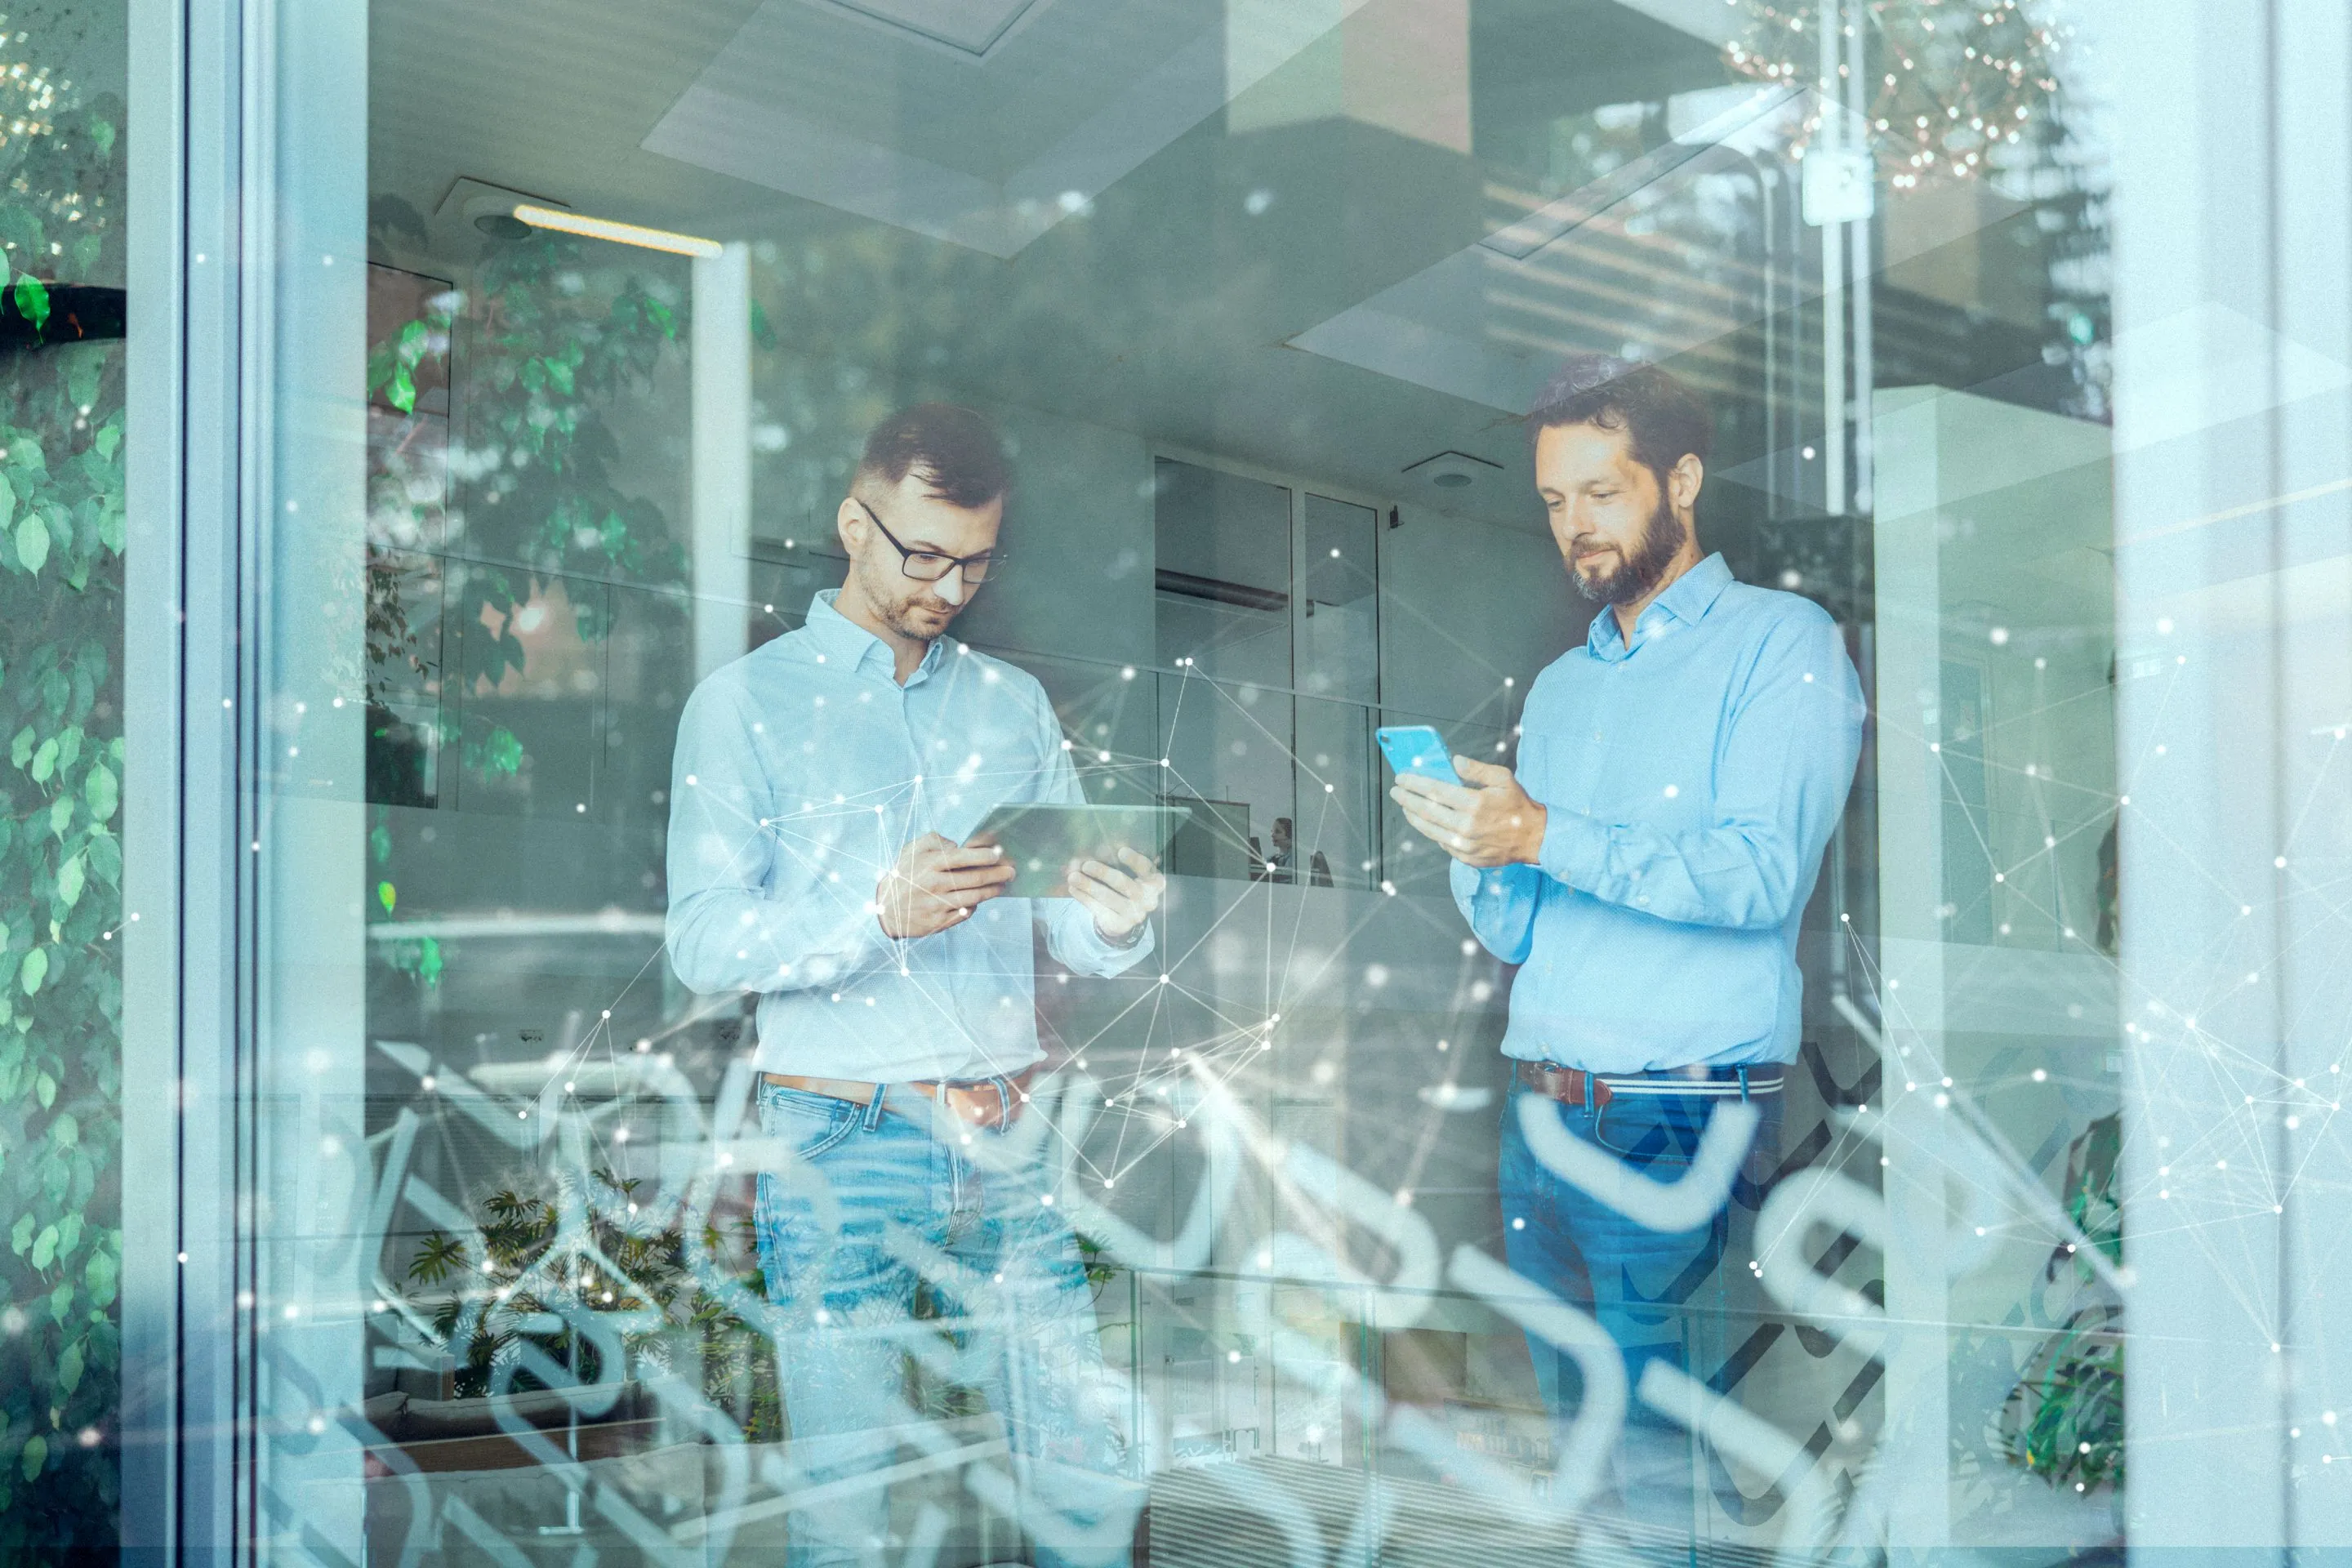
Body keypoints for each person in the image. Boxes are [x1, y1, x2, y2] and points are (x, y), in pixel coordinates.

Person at [666, 403, 1164, 1567]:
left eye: (975, 561)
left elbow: (1060, 927)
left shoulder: (1013, 706)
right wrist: (872, 917)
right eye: (923, 554)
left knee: (1078, 1478)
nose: (948, 587)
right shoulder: (744, 706)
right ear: (855, 523)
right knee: (848, 1508)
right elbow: (700, 942)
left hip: (1005, 1132)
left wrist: (1114, 926)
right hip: (836, 1135)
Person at [1391, 355, 1864, 1531]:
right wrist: (1479, 844)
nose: (1574, 526)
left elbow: (1760, 878)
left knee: (1655, 1456)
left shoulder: (1781, 641)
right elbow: (1520, 923)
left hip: (1680, 1112)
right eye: (1554, 501)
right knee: (1579, 1449)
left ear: (1682, 478)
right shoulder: (1559, 686)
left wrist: (1544, 829)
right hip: (1539, 1107)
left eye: (1599, 492)